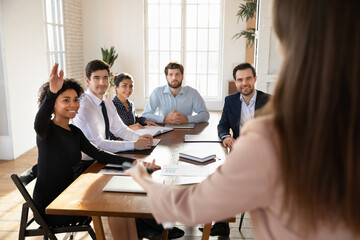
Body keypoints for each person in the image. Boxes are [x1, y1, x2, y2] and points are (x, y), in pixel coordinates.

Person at [127, 0, 360, 239]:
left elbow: (191, 206)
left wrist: (143, 179)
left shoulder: (268, 136)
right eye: (239, 80)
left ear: (284, 42)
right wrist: (223, 135)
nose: (243, 84)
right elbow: (217, 124)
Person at [33, 63, 158, 235]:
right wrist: (52, 93)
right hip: (53, 207)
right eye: (66, 100)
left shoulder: (74, 131)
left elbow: (98, 153)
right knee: (115, 205)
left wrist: (137, 163)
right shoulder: (46, 130)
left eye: (76, 99)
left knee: (120, 202)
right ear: (53, 104)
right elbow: (39, 120)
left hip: (71, 193)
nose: (73, 105)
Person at [72, 60, 153, 156]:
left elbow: (120, 129)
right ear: (87, 80)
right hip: (87, 163)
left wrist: (139, 138)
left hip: (104, 156)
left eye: (105, 78)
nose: (102, 83)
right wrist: (133, 144)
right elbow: (97, 144)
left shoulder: (107, 102)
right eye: (96, 78)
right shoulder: (84, 106)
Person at [218, 63, 270, 151]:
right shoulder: (230, 101)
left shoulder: (269, 100)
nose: (244, 83)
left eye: (248, 78)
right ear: (235, 82)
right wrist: (226, 137)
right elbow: (223, 125)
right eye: (240, 80)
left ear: (255, 79)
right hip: (238, 148)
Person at [142, 62, 209, 124]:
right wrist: (164, 119)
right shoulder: (157, 92)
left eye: (177, 74)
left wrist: (187, 119)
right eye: (171, 75)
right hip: (164, 129)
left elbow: (205, 115)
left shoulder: (192, 93)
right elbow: (146, 114)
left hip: (187, 130)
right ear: (166, 77)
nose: (174, 78)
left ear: (182, 77)